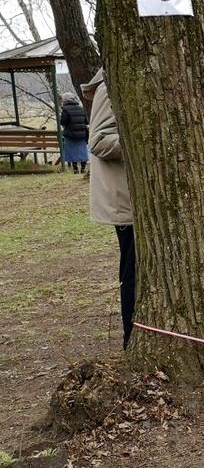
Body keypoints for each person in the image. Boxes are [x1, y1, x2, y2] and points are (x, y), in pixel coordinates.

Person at [85, 69, 135, 348]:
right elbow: (99, 140)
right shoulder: (110, 84)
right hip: (125, 201)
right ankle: (131, 338)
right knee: (133, 274)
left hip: (138, 200)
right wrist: (139, 141)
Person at [59, 92, 90, 173]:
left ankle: (75, 169)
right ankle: (83, 169)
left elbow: (63, 122)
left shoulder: (65, 109)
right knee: (83, 152)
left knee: (72, 152)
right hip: (82, 135)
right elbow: (86, 121)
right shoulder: (81, 108)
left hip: (70, 135)